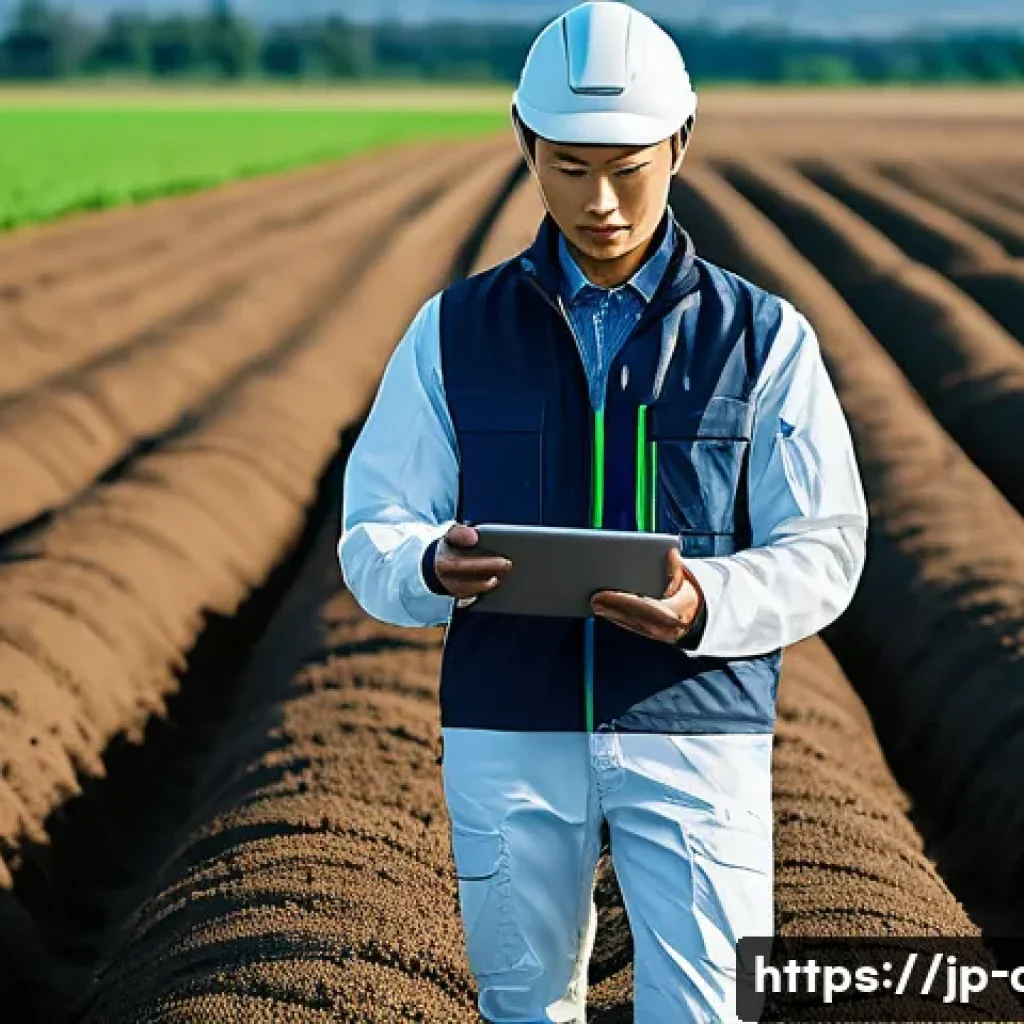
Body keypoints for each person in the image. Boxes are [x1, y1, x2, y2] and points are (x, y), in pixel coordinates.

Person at [339, 3, 868, 1021]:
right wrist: (428, 566)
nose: (603, 203)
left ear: (681, 143)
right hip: (509, 722)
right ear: (523, 143)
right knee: (523, 1006)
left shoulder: (764, 338)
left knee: (709, 1007)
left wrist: (705, 600)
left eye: (629, 168)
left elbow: (825, 547)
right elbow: (375, 526)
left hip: (697, 725)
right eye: (571, 167)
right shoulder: (451, 331)